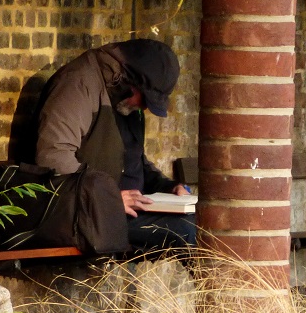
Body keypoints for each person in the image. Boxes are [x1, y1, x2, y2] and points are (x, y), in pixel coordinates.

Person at [33, 38, 197, 256]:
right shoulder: (77, 85)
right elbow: (52, 160)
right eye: (146, 99)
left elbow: (135, 163)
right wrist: (108, 200)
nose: (145, 107)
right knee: (190, 231)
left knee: (209, 222)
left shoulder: (125, 102)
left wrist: (169, 188)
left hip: (118, 210)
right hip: (82, 215)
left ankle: (217, 290)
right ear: (132, 81)